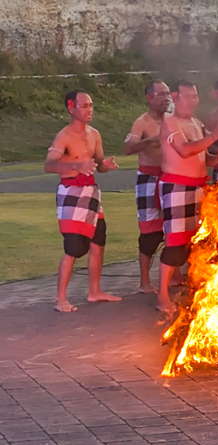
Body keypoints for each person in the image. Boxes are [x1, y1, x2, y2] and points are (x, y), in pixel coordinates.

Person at [45, 91, 121, 313]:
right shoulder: (64, 136)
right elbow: (49, 165)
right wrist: (76, 167)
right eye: (84, 105)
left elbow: (99, 164)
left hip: (91, 192)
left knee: (99, 240)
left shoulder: (94, 134)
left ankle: (94, 291)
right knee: (74, 246)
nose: (90, 109)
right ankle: (60, 298)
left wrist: (106, 164)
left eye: (91, 105)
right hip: (71, 192)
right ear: (71, 108)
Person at [157, 80, 218, 316]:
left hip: (198, 186)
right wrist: (214, 136)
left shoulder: (196, 123)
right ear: (176, 98)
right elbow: (185, 150)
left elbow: (203, 157)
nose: (193, 101)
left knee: (195, 240)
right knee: (175, 243)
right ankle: (162, 296)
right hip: (176, 186)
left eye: (195, 97)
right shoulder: (170, 122)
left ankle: (194, 287)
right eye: (188, 97)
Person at [124, 79, 171, 295]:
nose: (166, 98)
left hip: (170, 178)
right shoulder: (141, 122)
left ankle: (175, 274)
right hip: (149, 179)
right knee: (150, 233)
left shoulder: (172, 120)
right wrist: (149, 141)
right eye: (161, 94)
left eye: (168, 94)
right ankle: (144, 280)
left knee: (173, 229)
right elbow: (128, 148)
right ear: (149, 98)